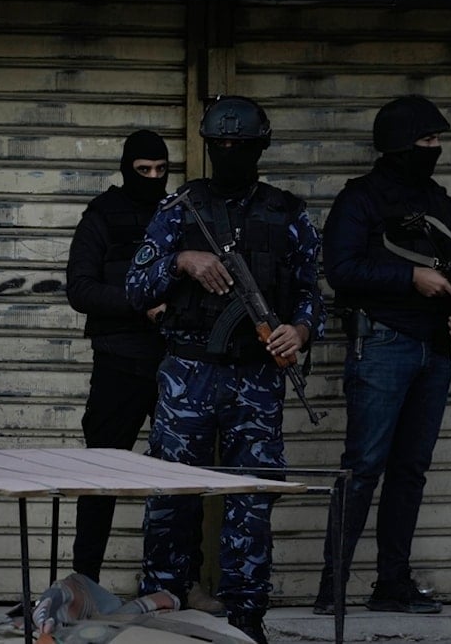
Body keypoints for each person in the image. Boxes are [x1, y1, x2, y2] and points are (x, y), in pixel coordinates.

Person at [125, 95, 325, 644]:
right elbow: (135, 286)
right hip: (188, 372)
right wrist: (182, 262)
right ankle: (164, 616)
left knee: (251, 501)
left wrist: (300, 331)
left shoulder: (289, 214)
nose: (231, 155)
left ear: (261, 147)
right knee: (170, 498)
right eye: (222, 147)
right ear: (210, 149)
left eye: (241, 146)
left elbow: (311, 293)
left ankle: (246, 621)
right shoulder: (179, 209)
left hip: (257, 378)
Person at [312, 95, 451, 616]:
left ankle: (392, 584)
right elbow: (341, 270)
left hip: (434, 347)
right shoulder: (359, 199)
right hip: (382, 344)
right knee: (363, 468)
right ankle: (331, 589)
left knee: (410, 471)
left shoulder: (437, 198)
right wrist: (411, 277)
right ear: (401, 145)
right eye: (427, 141)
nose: (436, 149)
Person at [65, 130, 223, 614]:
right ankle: (82, 587)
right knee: (100, 478)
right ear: (126, 167)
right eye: (144, 171)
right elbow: (80, 289)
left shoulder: (180, 211)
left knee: (182, 479)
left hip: (179, 361)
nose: (154, 180)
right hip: (119, 363)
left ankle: (181, 583)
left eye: (161, 170)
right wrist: (141, 305)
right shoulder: (102, 215)